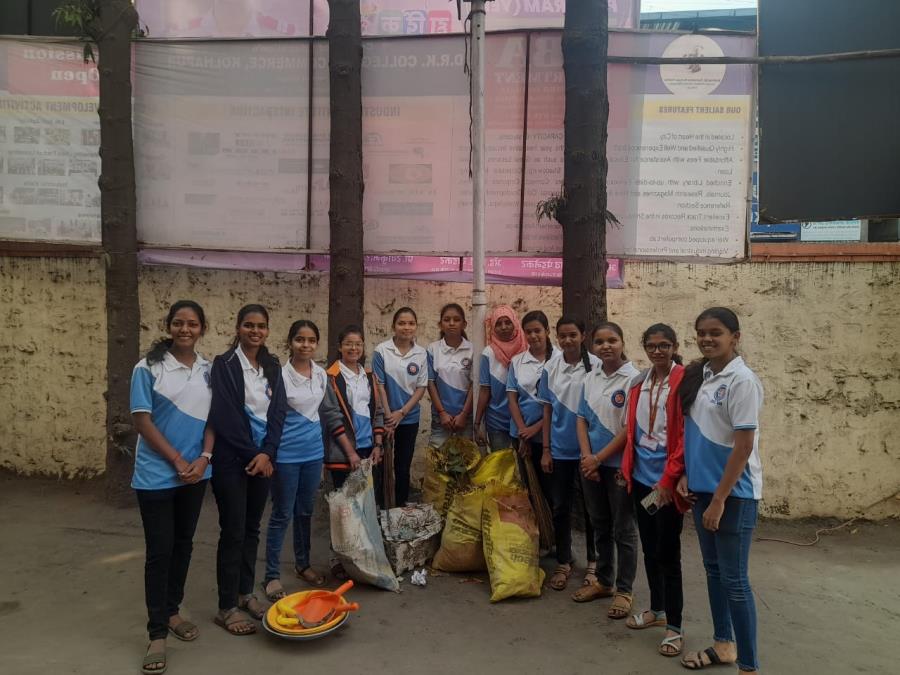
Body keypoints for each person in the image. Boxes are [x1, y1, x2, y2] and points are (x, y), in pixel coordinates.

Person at [677, 307, 763, 674]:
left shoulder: (742, 381)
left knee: (735, 580)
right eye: (701, 332)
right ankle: (723, 645)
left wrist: (719, 500)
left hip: (733, 496)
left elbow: (743, 447)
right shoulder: (705, 375)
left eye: (716, 332)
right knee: (714, 571)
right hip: (703, 491)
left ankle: (748, 665)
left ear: (735, 337)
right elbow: (697, 437)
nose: (707, 338)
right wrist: (686, 476)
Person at [131, 301, 213, 674]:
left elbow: (215, 419)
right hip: (157, 477)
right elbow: (142, 421)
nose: (185, 329)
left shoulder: (208, 370)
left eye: (192, 324)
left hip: (196, 475)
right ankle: (156, 633)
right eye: (178, 323)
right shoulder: (147, 368)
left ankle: (173, 612)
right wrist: (178, 461)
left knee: (183, 545)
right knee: (159, 552)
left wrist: (204, 458)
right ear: (168, 326)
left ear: (201, 329)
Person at [208, 304, 286, 636]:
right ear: (238, 328)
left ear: (267, 330)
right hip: (231, 461)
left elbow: (279, 411)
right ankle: (226, 606)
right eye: (249, 325)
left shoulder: (272, 365)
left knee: (252, 528)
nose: (255, 331)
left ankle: (245, 593)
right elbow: (224, 415)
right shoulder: (223, 365)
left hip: (263, 461)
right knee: (233, 531)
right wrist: (254, 453)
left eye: (261, 326)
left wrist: (267, 453)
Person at [262, 320, 353, 601]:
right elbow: (271, 417)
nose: (306, 345)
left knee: (305, 512)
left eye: (311, 340)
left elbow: (327, 414)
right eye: (300, 339)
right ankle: (272, 576)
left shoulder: (322, 375)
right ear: (290, 342)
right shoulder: (279, 375)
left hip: (314, 454)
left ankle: (303, 565)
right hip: (286, 456)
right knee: (281, 514)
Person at [618, 324, 688, 659]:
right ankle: (657, 610)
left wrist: (670, 480)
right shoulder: (638, 383)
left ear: (675, 346)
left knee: (668, 554)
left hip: (667, 485)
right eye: (651, 346)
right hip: (643, 481)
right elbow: (632, 430)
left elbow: (686, 434)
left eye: (664, 345)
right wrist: (628, 470)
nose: (657, 351)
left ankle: (675, 627)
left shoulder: (684, 381)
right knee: (649, 547)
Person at [575, 322, 640, 614]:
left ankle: (625, 590)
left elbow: (629, 429)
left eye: (612, 340)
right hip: (591, 466)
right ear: (593, 347)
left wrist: (599, 459)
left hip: (618, 467)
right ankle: (604, 581)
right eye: (600, 342)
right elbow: (581, 419)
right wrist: (588, 458)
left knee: (623, 529)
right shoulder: (589, 378)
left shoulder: (634, 379)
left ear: (622, 342)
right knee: (599, 523)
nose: (606, 346)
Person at [537, 316, 600, 591]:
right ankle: (564, 560)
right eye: (562, 336)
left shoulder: (597, 366)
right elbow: (547, 410)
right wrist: (546, 450)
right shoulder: (551, 367)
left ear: (583, 336)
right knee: (560, 507)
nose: (567, 340)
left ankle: (594, 563)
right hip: (560, 451)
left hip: (590, 452)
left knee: (592, 509)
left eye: (573, 335)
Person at [373, 307, 428, 506]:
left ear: (416, 326)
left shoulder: (422, 353)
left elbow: (421, 388)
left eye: (411, 323)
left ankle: (400, 507)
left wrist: (402, 413)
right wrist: (389, 417)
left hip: (409, 417)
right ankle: (381, 507)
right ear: (393, 326)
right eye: (401, 323)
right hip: (385, 419)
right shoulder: (381, 350)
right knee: (382, 464)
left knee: (403, 466)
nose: (406, 327)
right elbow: (379, 386)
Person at [507, 310, 557, 507]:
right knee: (530, 487)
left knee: (551, 489)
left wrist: (534, 429)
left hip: (550, 436)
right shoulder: (517, 361)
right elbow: (512, 399)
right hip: (521, 434)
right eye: (528, 332)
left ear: (547, 331)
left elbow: (557, 405)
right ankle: (538, 531)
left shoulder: (559, 361)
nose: (533, 336)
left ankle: (553, 533)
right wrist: (523, 432)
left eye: (537, 330)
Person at [475, 304, 527, 452]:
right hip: (497, 421)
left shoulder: (526, 349)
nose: (504, 327)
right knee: (501, 469)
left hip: (524, 422)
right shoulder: (488, 353)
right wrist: (477, 423)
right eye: (498, 323)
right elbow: (485, 390)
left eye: (508, 322)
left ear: (515, 323)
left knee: (526, 472)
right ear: (492, 327)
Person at [426, 303, 474, 449]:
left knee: (465, 464)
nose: (451, 323)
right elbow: (430, 383)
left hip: (466, 417)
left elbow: (474, 385)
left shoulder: (473, 349)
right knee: (438, 462)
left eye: (456, 319)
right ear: (440, 324)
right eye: (447, 320)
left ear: (464, 324)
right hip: (440, 418)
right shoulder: (432, 349)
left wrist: (464, 414)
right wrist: (442, 413)